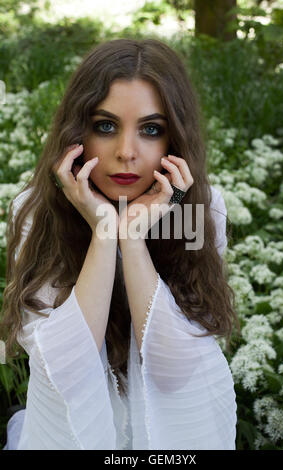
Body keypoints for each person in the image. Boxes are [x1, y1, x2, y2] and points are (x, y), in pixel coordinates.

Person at [1, 37, 240, 450]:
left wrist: (133, 240)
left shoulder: (203, 209)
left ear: (174, 141)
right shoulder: (36, 212)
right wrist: (104, 232)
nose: (126, 152)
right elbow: (68, 373)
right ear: (78, 133)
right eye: (105, 126)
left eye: (151, 130)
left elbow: (174, 375)